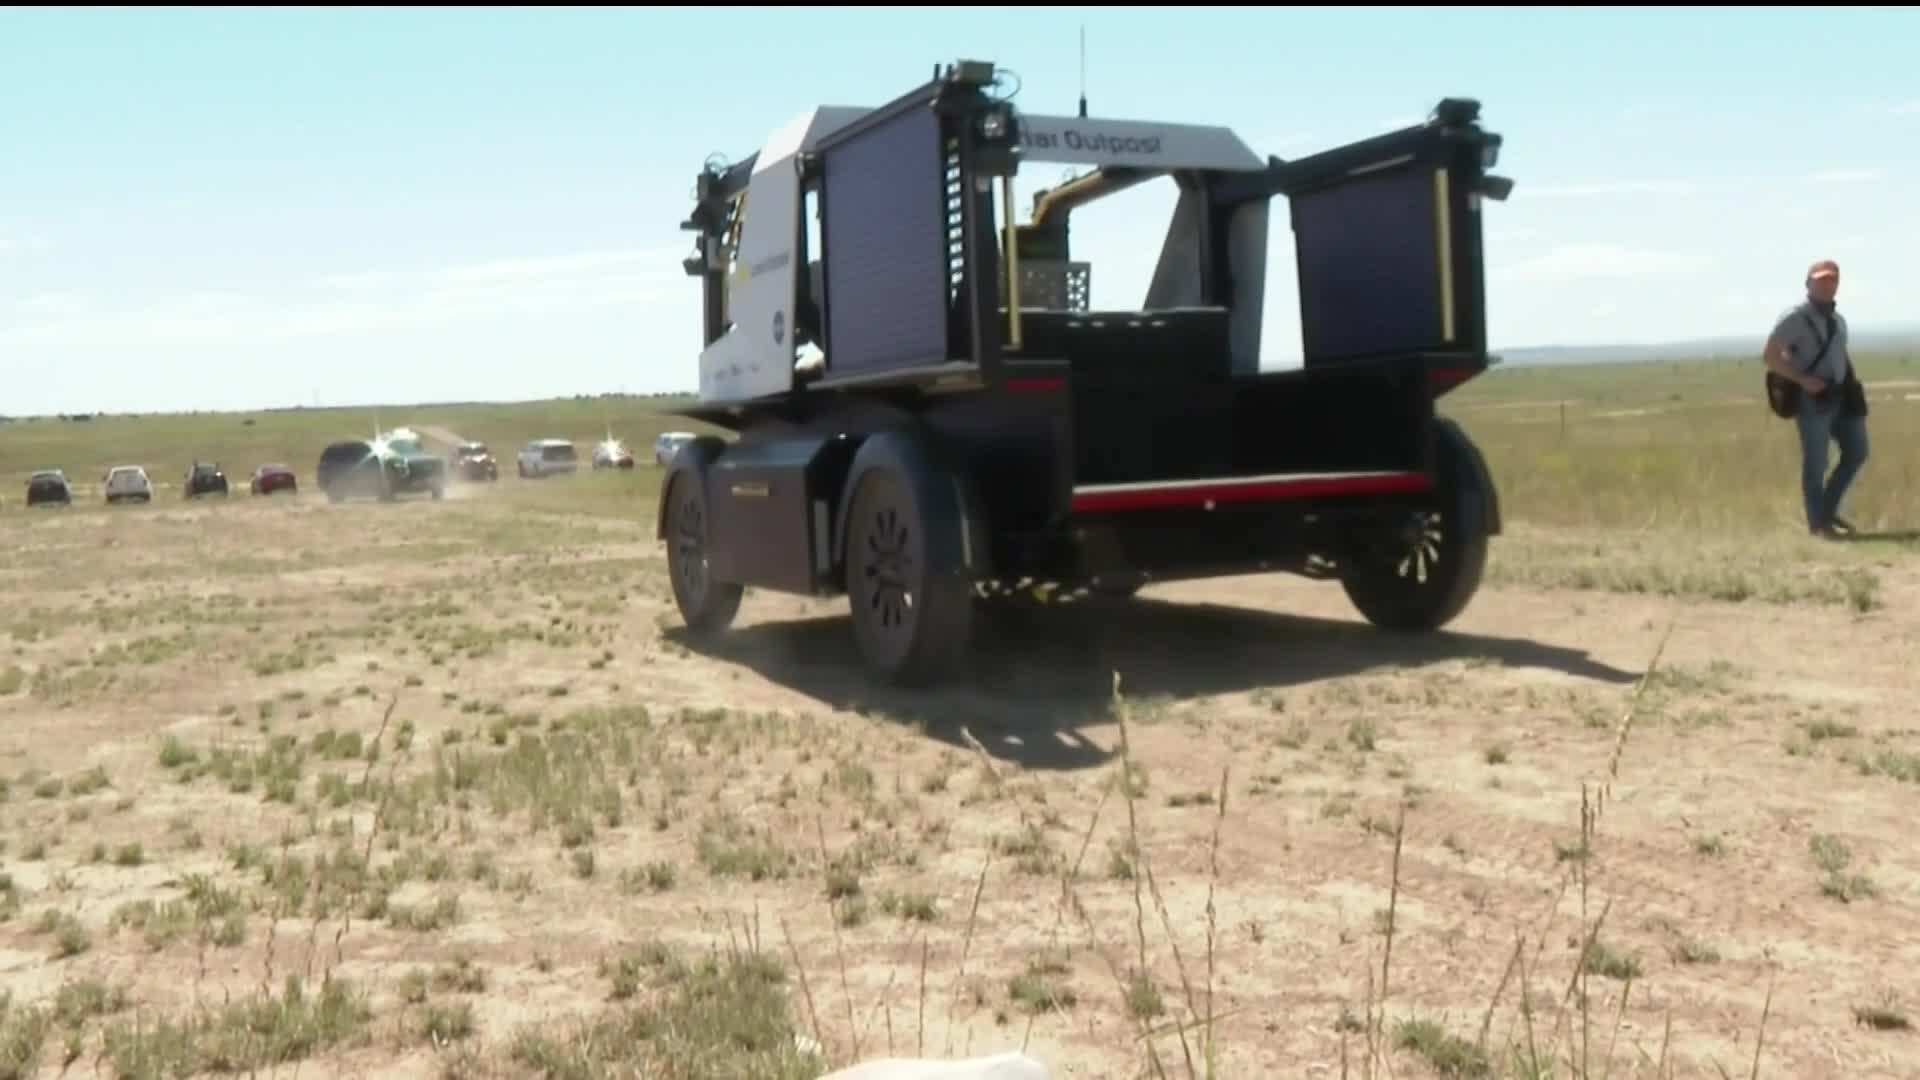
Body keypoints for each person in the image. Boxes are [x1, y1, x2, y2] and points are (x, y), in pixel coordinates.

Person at [1763, 258, 1867, 538]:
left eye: (1832, 280)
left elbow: (1839, 355)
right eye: (1820, 280)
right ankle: (1819, 525)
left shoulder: (1838, 320)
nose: (1826, 285)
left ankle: (1827, 511)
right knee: (1817, 463)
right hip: (1812, 401)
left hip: (1841, 396)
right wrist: (1803, 380)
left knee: (1858, 452)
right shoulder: (1794, 318)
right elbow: (1770, 356)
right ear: (1808, 284)